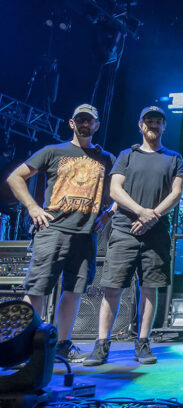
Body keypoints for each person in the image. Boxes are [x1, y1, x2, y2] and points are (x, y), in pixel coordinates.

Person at [6, 104, 115, 362]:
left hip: (85, 234)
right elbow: (15, 178)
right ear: (71, 123)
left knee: (73, 290)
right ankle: (24, 348)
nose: (85, 124)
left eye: (90, 120)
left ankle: (62, 346)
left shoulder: (106, 158)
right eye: (81, 120)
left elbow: (121, 190)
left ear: (96, 125)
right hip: (52, 230)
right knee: (37, 290)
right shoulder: (53, 151)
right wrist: (33, 207)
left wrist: (107, 214)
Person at [84, 106, 183, 366]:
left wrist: (151, 217)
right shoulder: (126, 155)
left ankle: (142, 342)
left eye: (158, 121)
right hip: (123, 230)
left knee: (149, 288)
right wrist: (141, 212)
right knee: (113, 287)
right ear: (140, 125)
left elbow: (175, 194)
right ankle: (102, 343)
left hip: (156, 233)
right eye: (149, 121)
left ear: (164, 126)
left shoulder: (173, 158)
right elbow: (115, 189)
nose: (153, 125)